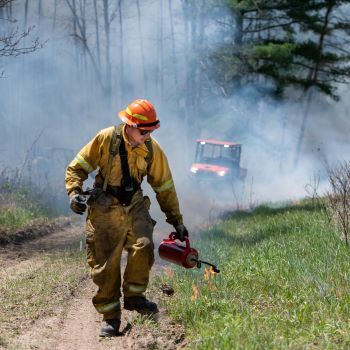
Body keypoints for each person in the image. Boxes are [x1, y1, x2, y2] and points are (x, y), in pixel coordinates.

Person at [65, 99, 188, 337]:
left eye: (151, 131)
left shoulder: (152, 149)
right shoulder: (105, 139)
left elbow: (165, 187)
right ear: (129, 125)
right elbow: (76, 168)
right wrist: (74, 193)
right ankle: (111, 317)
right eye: (143, 131)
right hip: (105, 206)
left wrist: (177, 221)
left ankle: (134, 297)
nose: (148, 135)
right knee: (105, 263)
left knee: (143, 245)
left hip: (134, 205)